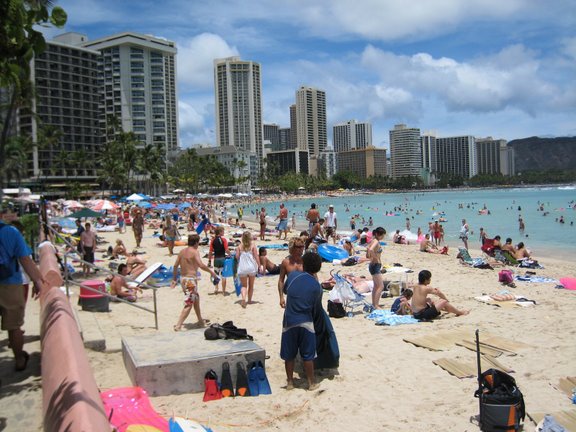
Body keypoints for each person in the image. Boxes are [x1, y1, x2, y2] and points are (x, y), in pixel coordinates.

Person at [0, 215, 48, 371]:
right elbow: (25, 259)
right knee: (14, 327)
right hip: (9, 284)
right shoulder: (10, 232)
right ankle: (19, 359)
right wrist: (38, 281)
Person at [280, 251, 323, 391]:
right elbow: (316, 308)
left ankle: (290, 383)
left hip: (289, 320)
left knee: (289, 355)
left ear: (303, 263)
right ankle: (311, 383)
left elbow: (286, 291)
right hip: (306, 322)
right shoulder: (317, 287)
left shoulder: (292, 276)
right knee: (308, 355)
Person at [171, 234, 219, 331]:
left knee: (196, 298)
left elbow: (175, 266)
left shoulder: (181, 252)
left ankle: (200, 321)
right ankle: (178, 325)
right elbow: (200, 265)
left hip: (183, 279)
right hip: (190, 280)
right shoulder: (194, 252)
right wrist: (211, 272)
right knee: (189, 303)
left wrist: (174, 279)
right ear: (196, 243)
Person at [278, 237, 305, 308]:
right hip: (291, 296)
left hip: (305, 295)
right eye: (299, 247)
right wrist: (281, 297)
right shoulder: (285, 262)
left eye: (302, 246)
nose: (301, 249)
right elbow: (281, 280)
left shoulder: (305, 261)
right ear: (292, 247)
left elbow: (314, 278)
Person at [236, 231, 260, 308]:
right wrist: (259, 266)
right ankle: (249, 300)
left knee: (244, 286)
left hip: (242, 267)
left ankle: (243, 299)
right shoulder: (253, 245)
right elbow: (256, 257)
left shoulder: (239, 246)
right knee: (251, 285)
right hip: (251, 267)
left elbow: (237, 257)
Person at [367, 227, 387, 309]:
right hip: (375, 265)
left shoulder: (373, 240)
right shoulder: (376, 241)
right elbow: (370, 249)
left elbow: (368, 248)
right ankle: (376, 305)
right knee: (381, 286)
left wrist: (371, 257)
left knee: (376, 286)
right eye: (382, 235)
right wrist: (375, 258)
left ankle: (374, 303)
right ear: (378, 234)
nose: (383, 237)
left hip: (373, 265)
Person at [208, 226, 230, 294]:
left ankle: (216, 288)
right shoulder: (224, 240)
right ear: (220, 232)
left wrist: (209, 261)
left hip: (216, 259)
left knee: (216, 275)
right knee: (224, 275)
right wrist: (230, 255)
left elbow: (210, 252)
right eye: (223, 231)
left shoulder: (213, 240)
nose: (223, 232)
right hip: (223, 259)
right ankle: (223, 291)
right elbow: (226, 250)